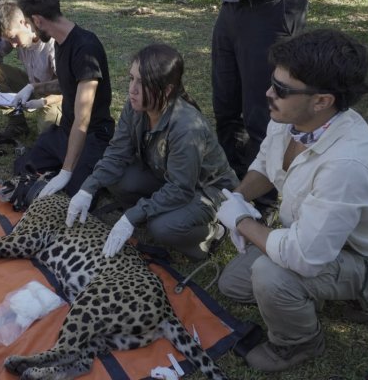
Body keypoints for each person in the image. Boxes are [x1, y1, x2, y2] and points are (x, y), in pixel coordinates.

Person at [216, 29, 368, 372]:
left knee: (270, 276)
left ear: (322, 100)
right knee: (233, 284)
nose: (268, 93)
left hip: (355, 256)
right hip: (310, 235)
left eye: (281, 89)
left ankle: (299, 343)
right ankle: (312, 296)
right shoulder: (293, 117)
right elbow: (265, 165)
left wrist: (243, 222)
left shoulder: (347, 164)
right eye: (272, 82)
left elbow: (305, 256)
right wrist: (237, 198)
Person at [65, 44, 238, 261]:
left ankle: (213, 233)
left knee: (163, 228)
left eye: (143, 83)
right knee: (118, 178)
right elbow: (117, 153)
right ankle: (153, 211)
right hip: (168, 177)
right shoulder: (135, 106)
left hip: (206, 191)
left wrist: (132, 215)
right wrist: (87, 190)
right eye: (131, 78)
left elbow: (181, 188)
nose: (132, 89)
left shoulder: (186, 128)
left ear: (166, 90)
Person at [212, 0, 309, 213]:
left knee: (262, 114)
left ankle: (263, 204)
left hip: (272, 3)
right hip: (232, 4)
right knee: (225, 107)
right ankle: (231, 189)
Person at [15, 0, 115, 197]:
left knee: (76, 191)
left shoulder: (85, 48)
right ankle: (62, 168)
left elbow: (83, 118)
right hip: (66, 131)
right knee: (24, 166)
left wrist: (66, 171)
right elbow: (66, 83)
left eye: (31, 24)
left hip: (93, 135)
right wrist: (32, 88)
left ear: (38, 20)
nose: (32, 30)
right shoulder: (60, 41)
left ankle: (81, 168)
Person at [0, 0, 62, 139]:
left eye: (13, 38)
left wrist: (42, 101)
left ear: (24, 23)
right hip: (31, 87)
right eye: (8, 40)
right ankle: (17, 123)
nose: (12, 45)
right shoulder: (13, 34)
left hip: (56, 96)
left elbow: (67, 87)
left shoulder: (52, 43)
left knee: (47, 136)